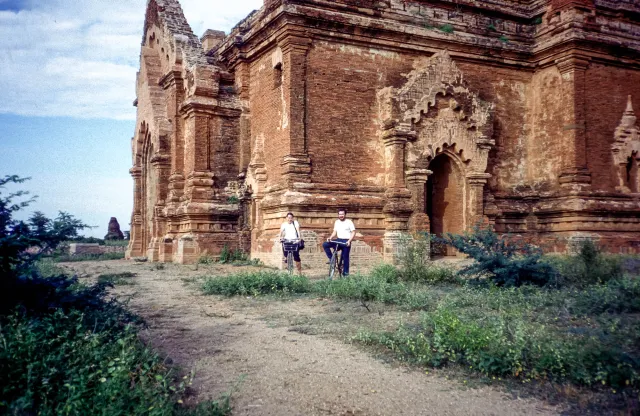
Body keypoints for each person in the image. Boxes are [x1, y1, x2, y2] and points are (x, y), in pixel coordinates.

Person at [322, 208, 356, 276]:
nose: (341, 215)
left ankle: (345, 274)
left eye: (342, 214)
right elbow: (335, 232)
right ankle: (332, 259)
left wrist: (349, 241)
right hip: (338, 240)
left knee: (345, 258)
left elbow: (353, 232)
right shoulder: (337, 222)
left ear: (345, 215)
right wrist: (330, 237)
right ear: (338, 215)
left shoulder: (349, 222)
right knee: (325, 244)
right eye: (340, 214)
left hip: (346, 241)